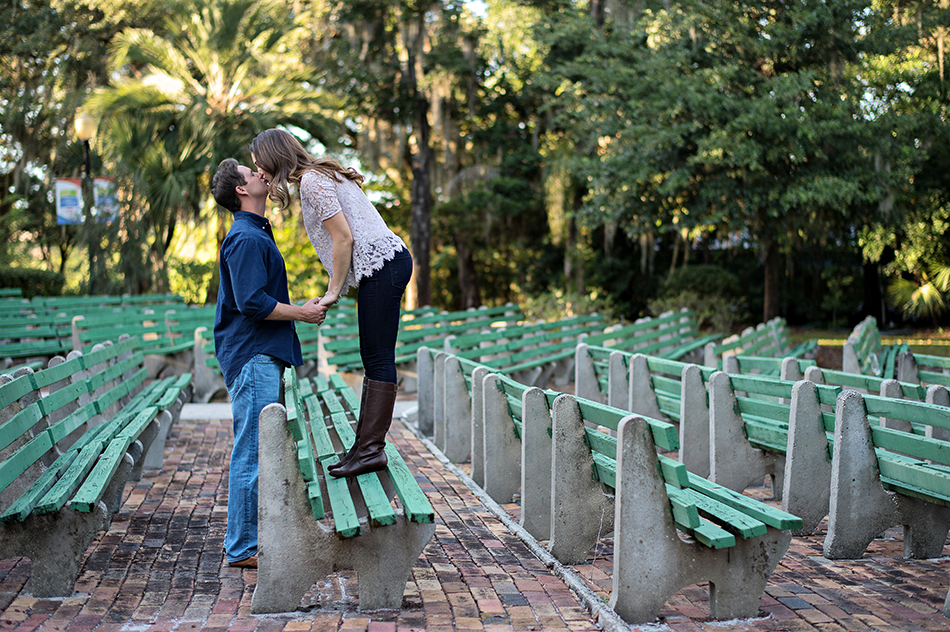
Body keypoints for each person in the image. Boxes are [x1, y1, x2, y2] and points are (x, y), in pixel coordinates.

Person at [249, 128, 412, 478]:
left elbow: (344, 238)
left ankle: (370, 450)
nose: (259, 172)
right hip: (384, 265)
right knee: (374, 356)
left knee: (378, 358)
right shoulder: (318, 175)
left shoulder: (312, 181)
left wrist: (333, 291)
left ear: (273, 157)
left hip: (382, 264)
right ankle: (364, 448)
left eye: (259, 164)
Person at [209, 158, 325, 568]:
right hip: (253, 355)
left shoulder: (255, 232)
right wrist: (302, 313)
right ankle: (241, 547)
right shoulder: (244, 238)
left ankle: (243, 541)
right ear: (241, 190)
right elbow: (251, 303)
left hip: (262, 354)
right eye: (250, 172)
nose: (260, 173)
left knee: (256, 448)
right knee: (253, 451)